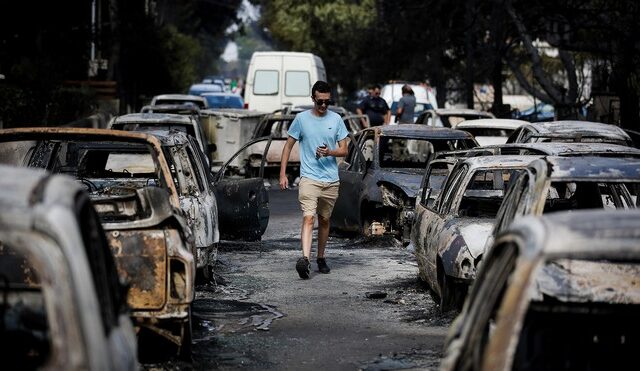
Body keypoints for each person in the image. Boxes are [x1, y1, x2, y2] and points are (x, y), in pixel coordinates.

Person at [279, 80, 349, 279]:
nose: (324, 106)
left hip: (330, 179)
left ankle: (320, 257)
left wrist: (330, 152)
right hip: (309, 178)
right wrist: (283, 173)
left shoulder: (336, 120)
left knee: (324, 220)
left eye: (327, 102)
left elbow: (344, 150)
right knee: (308, 218)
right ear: (313, 99)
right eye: (320, 102)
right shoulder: (301, 119)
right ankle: (305, 259)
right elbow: (288, 146)